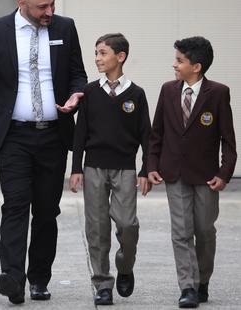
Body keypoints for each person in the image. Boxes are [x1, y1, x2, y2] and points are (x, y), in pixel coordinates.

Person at [0, 0, 87, 304]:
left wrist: (77, 94)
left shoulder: (65, 28)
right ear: (22, 3)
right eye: (42, 6)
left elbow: (78, 72)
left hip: (53, 135)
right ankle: (13, 277)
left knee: (47, 211)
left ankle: (39, 278)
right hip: (14, 136)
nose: (49, 11)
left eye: (52, 4)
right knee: (16, 206)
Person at [147, 36, 237, 308]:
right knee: (181, 231)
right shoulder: (168, 90)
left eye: (179, 60)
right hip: (173, 173)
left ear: (196, 66)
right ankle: (187, 287)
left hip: (206, 176)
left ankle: (202, 280)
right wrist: (152, 165)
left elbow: (228, 139)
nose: (174, 65)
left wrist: (224, 173)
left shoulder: (218, 93)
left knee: (204, 230)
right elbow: (156, 134)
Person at [69, 33, 151, 305]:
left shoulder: (136, 94)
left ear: (120, 56)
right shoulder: (90, 92)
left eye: (102, 53)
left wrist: (145, 169)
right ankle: (102, 284)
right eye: (96, 53)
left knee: (128, 224)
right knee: (97, 228)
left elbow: (146, 136)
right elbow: (80, 133)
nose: (97, 58)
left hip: (125, 170)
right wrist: (76, 167)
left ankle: (125, 267)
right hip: (93, 168)